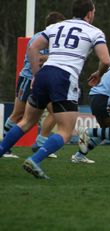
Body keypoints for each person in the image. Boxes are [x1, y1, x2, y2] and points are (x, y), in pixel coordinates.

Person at [0, 0, 110, 179]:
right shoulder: (94, 31)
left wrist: (36, 75)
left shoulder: (57, 26)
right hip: (64, 78)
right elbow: (106, 60)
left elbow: (33, 47)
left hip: (45, 74)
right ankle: (35, 159)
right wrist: (99, 73)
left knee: (26, 121)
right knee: (66, 131)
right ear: (90, 13)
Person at [2, 12, 65, 159]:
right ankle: (5, 147)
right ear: (54, 25)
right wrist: (55, 57)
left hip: (44, 82)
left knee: (57, 112)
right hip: (28, 78)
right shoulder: (40, 38)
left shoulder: (55, 40)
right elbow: (38, 58)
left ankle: (40, 143)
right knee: (18, 114)